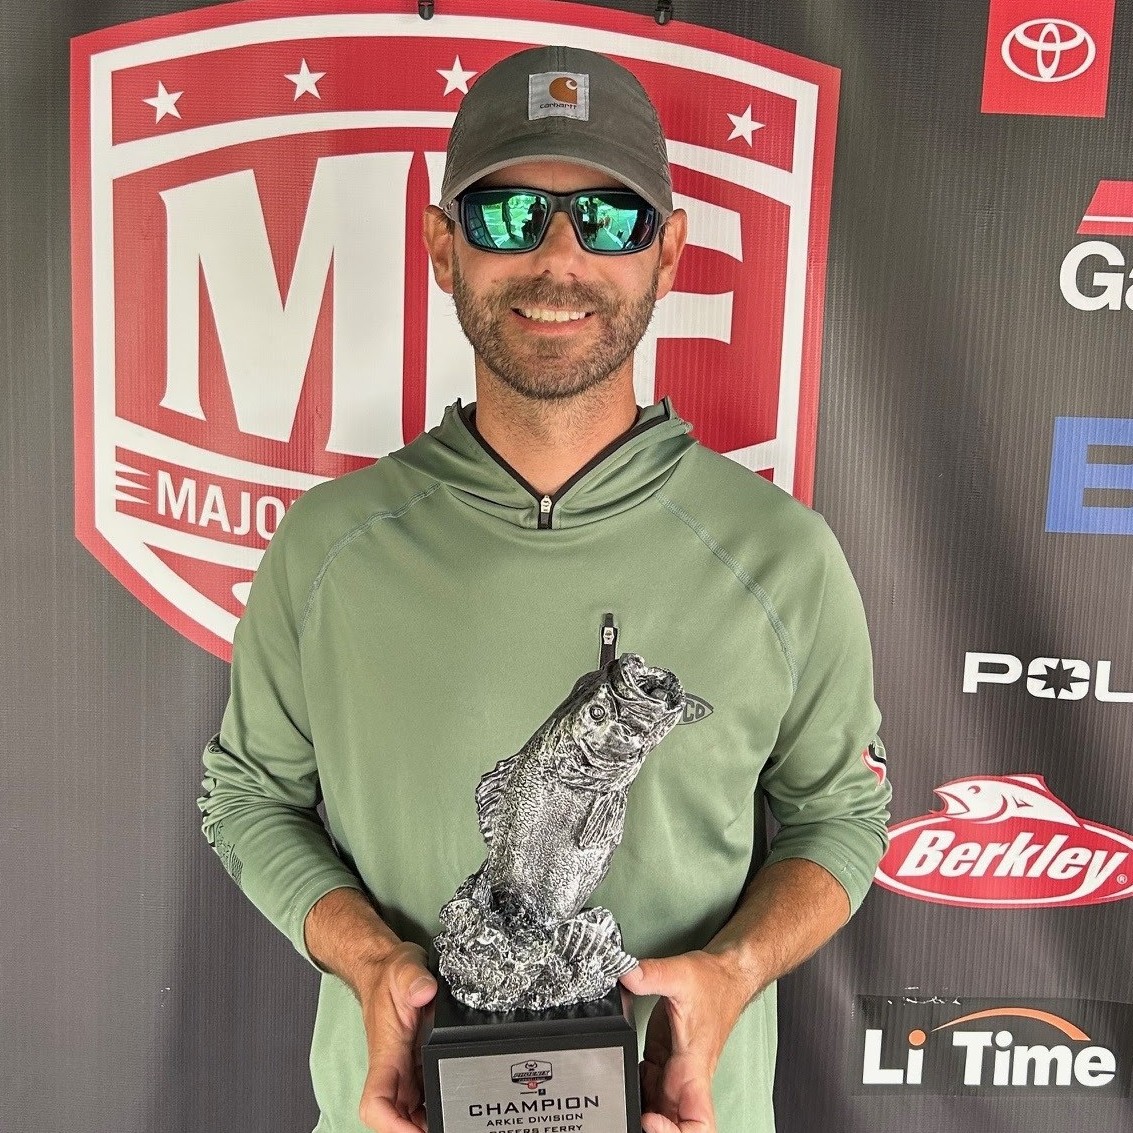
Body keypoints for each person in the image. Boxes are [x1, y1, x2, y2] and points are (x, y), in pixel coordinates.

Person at [199, 44, 890, 1133]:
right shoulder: (327, 546)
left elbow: (841, 815)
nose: (558, 258)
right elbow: (247, 797)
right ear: (443, 247)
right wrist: (372, 961)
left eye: (607, 219)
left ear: (667, 253)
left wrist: (734, 969)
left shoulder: (781, 554)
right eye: (508, 215)